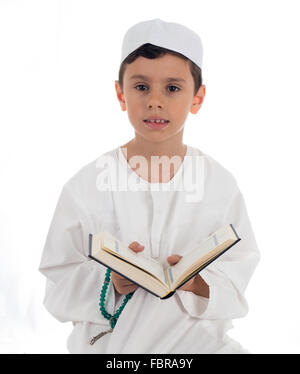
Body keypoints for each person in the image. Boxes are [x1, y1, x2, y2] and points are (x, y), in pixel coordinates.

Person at [39, 18, 260, 354]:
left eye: (172, 88)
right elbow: (57, 283)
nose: (155, 101)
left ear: (197, 98)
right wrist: (111, 283)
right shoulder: (85, 186)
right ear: (121, 93)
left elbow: (239, 272)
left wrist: (197, 282)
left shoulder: (219, 185)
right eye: (141, 87)